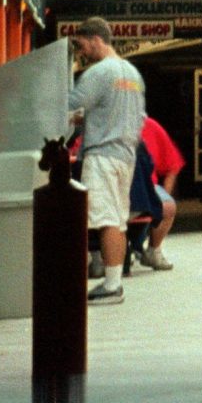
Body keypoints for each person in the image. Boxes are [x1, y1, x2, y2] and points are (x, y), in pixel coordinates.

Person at [66, 16, 146, 305]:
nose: (82, 53)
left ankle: (112, 286)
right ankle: (113, 280)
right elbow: (140, 118)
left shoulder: (98, 73)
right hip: (126, 155)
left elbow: (69, 104)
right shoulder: (132, 74)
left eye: (83, 46)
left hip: (102, 155)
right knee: (118, 220)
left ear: (96, 39)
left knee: (106, 219)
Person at [127, 114, 183, 272]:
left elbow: (173, 163)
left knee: (168, 206)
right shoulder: (99, 124)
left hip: (145, 186)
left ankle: (154, 250)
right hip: (111, 187)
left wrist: (161, 199)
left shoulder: (150, 126)